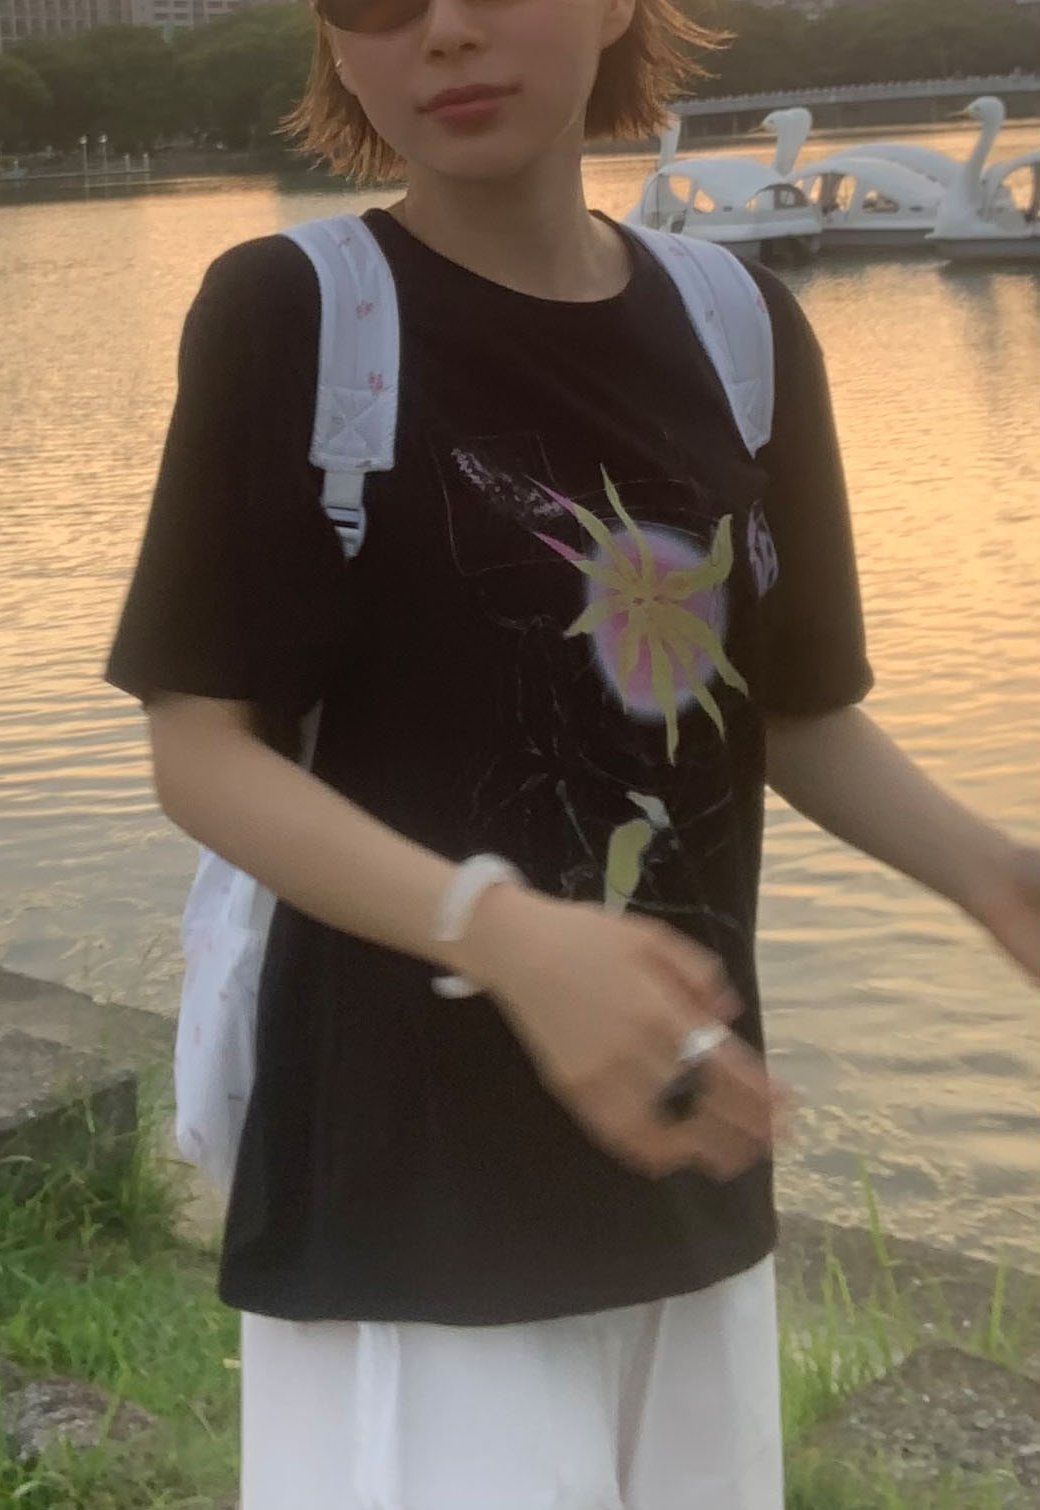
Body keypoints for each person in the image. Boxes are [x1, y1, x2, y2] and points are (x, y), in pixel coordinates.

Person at [105, 1, 1040, 1505]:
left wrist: (994, 875)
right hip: (412, 1209)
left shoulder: (740, 326)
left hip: (685, 1150)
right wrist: (507, 934)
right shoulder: (296, 312)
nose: (444, 33)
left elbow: (790, 710)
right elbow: (201, 752)